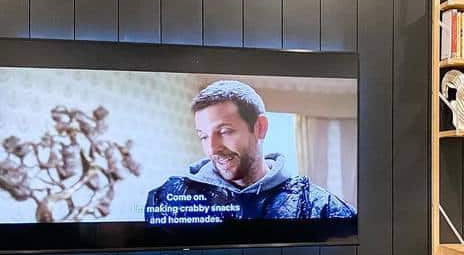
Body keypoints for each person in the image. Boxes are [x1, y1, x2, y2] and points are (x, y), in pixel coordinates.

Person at [145, 80, 356, 223]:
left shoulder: (316, 206)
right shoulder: (169, 198)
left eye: (225, 131)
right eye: (203, 136)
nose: (212, 149)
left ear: (260, 128)